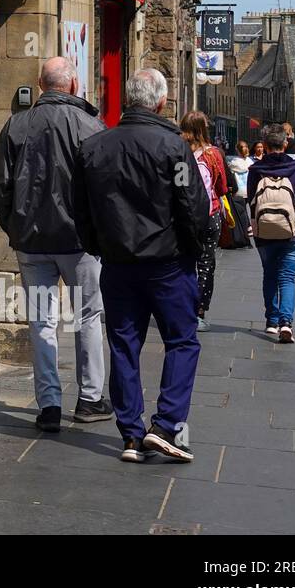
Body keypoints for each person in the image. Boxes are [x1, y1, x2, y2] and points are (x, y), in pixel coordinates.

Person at [74, 68, 210, 464]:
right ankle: (165, 425)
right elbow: (192, 206)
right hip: (168, 263)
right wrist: (192, 245)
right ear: (162, 102)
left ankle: (132, 435)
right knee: (182, 341)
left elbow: (79, 209)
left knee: (123, 345)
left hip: (118, 264)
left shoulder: (94, 147)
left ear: (128, 99)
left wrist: (99, 246)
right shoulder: (174, 147)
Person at [0, 57, 111, 433]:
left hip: (33, 243)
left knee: (42, 321)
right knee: (88, 317)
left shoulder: (17, 124)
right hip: (80, 244)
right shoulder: (91, 126)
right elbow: (105, 191)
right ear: (73, 86)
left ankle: (49, 405)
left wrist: (16, 229)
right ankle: (89, 399)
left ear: (40, 85)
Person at [248, 124, 295, 343]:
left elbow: (251, 202)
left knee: (270, 275)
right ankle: (286, 323)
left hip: (265, 232)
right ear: (285, 144)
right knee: (287, 278)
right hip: (294, 232)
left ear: (265, 146)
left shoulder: (256, 170)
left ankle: (271, 322)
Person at [180, 111, 227, 330]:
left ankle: (182, 307)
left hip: (183, 216)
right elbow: (222, 187)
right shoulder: (213, 154)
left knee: (184, 262)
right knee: (206, 264)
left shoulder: (178, 151)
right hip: (210, 215)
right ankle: (198, 311)